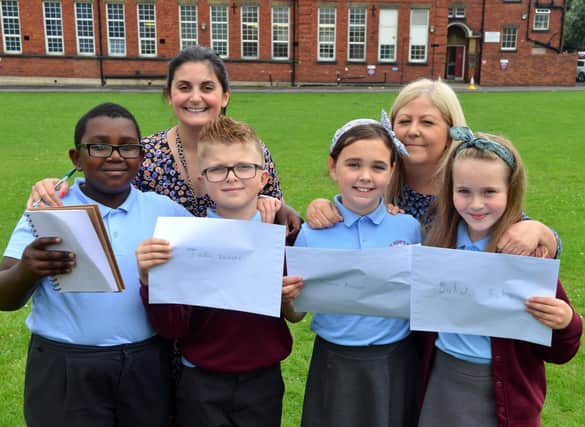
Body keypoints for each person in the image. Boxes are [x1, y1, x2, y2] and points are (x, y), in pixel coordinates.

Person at [0, 103, 192, 426]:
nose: (115, 156)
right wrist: (27, 270)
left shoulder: (166, 212)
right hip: (65, 366)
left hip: (145, 364)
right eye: (99, 146)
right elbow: (5, 297)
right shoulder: (51, 208)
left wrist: (275, 209)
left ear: (142, 156)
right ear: (77, 158)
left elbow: (218, 247)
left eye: (128, 146)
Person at [27, 45, 301, 237]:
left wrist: (284, 209)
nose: (195, 98)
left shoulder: (251, 150)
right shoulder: (147, 155)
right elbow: (106, 192)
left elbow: (269, 207)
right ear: (169, 96)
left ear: (225, 96)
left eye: (207, 88)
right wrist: (54, 185)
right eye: (184, 88)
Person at [136, 116, 296, 427]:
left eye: (244, 167)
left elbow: (295, 314)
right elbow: (172, 327)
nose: (231, 177)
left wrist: (285, 296)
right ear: (202, 179)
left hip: (262, 379)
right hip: (201, 381)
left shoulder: (279, 235)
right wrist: (148, 280)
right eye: (218, 169)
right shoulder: (186, 240)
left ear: (263, 177)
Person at [418, 127, 582, 427]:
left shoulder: (527, 254)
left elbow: (560, 351)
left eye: (489, 192)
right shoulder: (438, 243)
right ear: (450, 189)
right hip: (442, 383)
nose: (476, 204)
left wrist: (566, 323)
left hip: (505, 393)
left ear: (511, 191)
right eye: (464, 191)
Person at [305, 78, 558, 257]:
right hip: (391, 325)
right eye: (404, 121)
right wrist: (324, 207)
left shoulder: (468, 190)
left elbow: (525, 234)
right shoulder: (378, 185)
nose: (413, 131)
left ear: (451, 131)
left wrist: (539, 231)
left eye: (427, 122)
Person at [286, 116, 423, 427]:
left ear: (392, 171)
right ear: (333, 167)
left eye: (378, 167)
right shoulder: (312, 233)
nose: (365, 176)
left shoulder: (409, 228)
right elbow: (296, 313)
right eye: (353, 165)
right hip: (335, 360)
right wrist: (287, 299)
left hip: (394, 359)